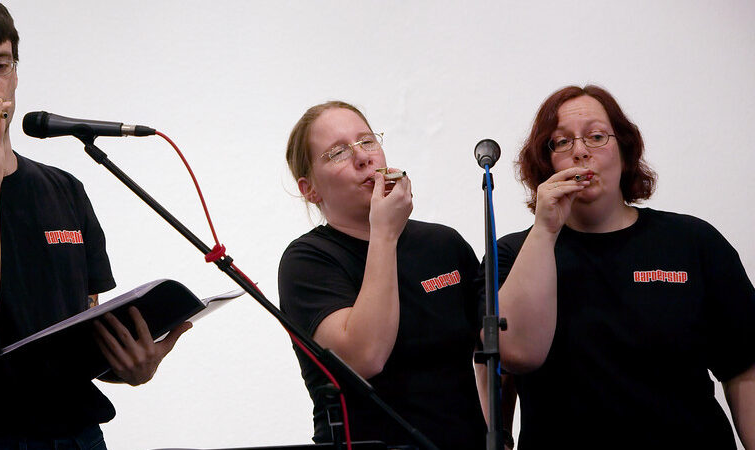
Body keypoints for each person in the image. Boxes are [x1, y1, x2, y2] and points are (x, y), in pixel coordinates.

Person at [0, 1, 189, 448]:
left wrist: (128, 367)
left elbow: (82, 330)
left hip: (77, 432)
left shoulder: (64, 188)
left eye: (0, 65)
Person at [494, 85, 755, 449]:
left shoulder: (693, 242)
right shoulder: (512, 253)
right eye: (562, 142)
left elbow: (743, 366)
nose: (581, 151)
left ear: (625, 149)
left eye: (596, 136)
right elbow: (513, 356)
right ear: (545, 161)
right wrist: (546, 228)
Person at [278, 101, 486, 448]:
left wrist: (499, 433)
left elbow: (492, 352)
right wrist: (384, 234)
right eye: (337, 153)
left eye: (367, 141)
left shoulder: (443, 244)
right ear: (309, 189)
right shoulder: (307, 261)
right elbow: (366, 356)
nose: (362, 157)